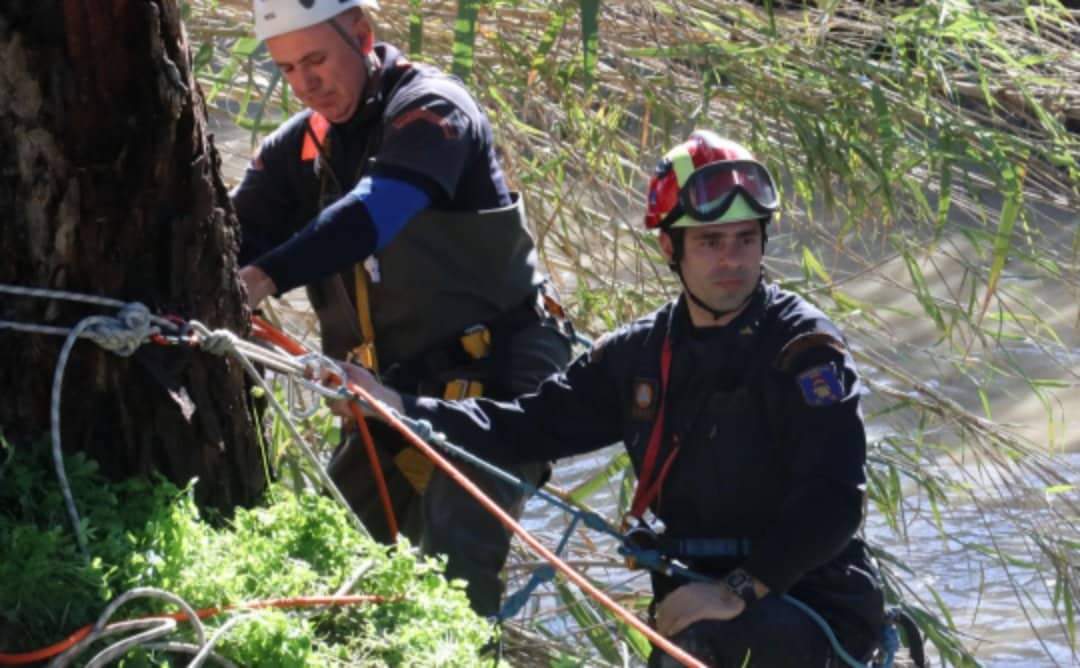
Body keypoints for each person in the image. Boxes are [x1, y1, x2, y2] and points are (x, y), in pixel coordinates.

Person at [345, 131, 887, 666]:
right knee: (688, 636)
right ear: (669, 248)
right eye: (710, 242)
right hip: (695, 596)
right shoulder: (640, 356)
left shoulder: (805, 350)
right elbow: (525, 426)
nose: (731, 260)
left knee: (693, 643)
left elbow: (834, 500)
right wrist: (397, 407)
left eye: (745, 239)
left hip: (811, 602)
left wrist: (735, 592)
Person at [231, 0, 572, 617]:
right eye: (286, 70)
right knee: (325, 558)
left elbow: (376, 211)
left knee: (454, 558)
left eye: (316, 60)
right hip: (393, 389)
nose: (306, 84)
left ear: (361, 34)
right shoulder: (305, 146)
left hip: (503, 376)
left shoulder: (433, 109)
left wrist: (262, 277)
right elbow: (229, 231)